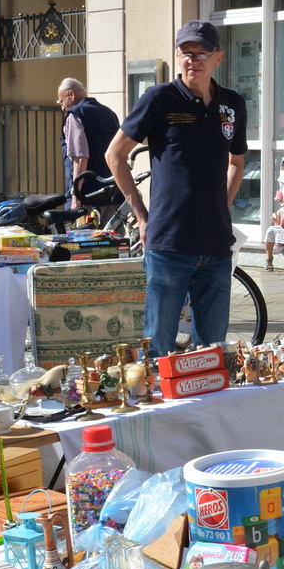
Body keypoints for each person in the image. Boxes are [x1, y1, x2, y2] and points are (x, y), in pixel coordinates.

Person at [105, 20, 246, 356]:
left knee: (213, 352)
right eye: (185, 53)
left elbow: (237, 162)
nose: (192, 60)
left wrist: (222, 208)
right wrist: (141, 216)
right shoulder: (159, 99)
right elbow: (114, 155)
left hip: (216, 246)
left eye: (201, 53)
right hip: (169, 244)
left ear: (219, 57)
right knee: (159, 350)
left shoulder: (232, 104)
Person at [56, 77, 119, 203]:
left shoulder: (75, 114)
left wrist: (76, 196)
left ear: (71, 94)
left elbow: (80, 157)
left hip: (87, 195)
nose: (62, 107)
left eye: (61, 101)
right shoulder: (110, 113)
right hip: (113, 193)